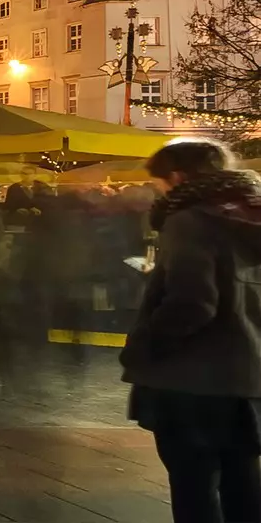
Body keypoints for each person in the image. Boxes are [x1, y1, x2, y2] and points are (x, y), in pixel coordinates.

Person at [121, 138, 261, 523]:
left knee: (193, 486)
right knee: (244, 482)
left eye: (159, 183)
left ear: (177, 177)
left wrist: (144, 345)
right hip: (249, 378)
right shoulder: (251, 215)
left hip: (192, 380)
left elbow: (193, 302)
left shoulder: (191, 221)